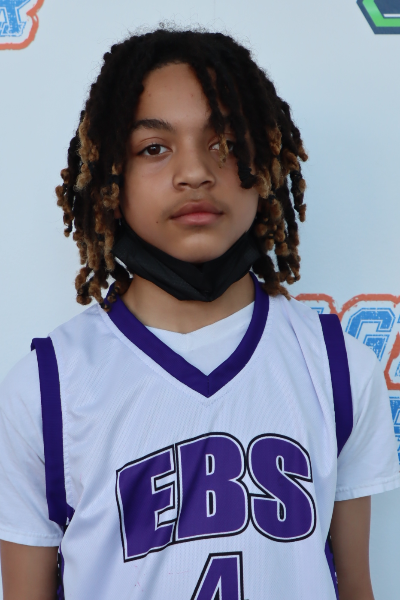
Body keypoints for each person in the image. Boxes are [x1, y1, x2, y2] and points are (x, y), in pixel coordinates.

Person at [0, 28, 399, 600]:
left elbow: (355, 585)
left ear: (266, 163)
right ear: (110, 175)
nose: (195, 172)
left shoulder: (338, 367)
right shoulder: (46, 389)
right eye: (154, 148)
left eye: (226, 143)